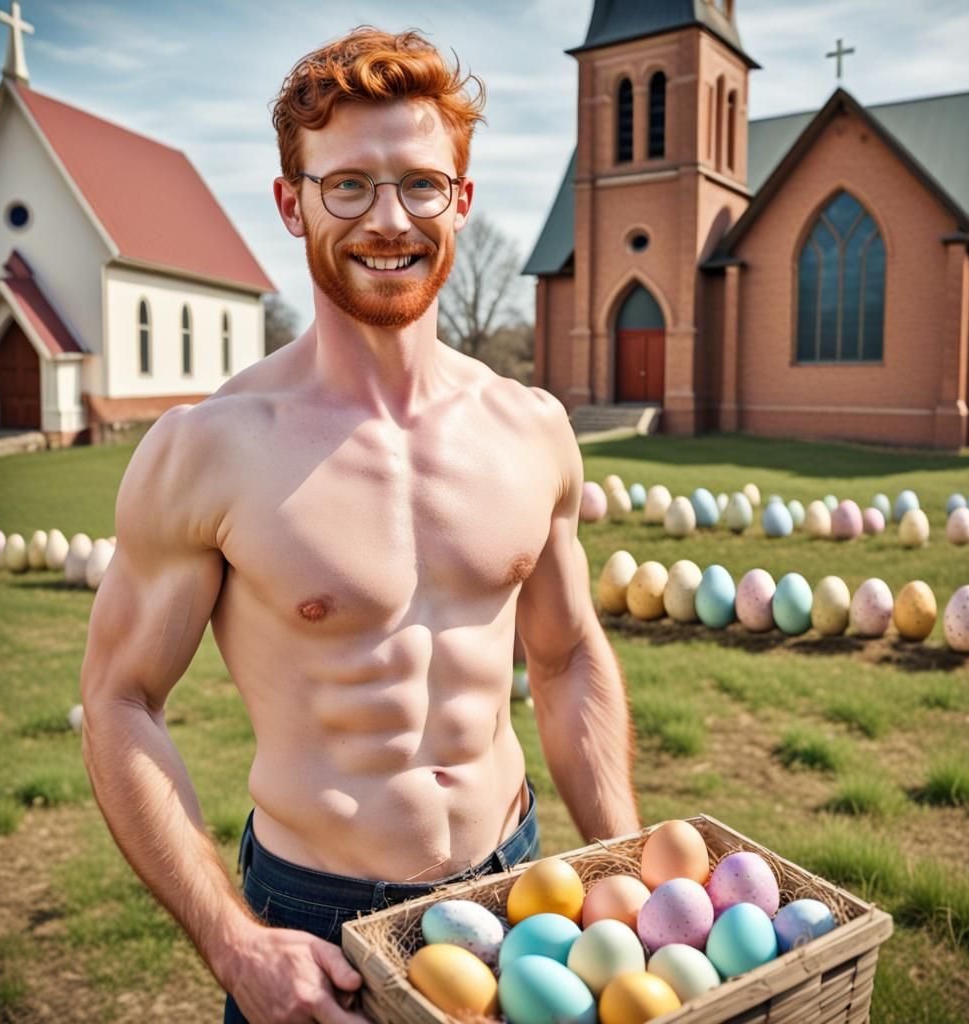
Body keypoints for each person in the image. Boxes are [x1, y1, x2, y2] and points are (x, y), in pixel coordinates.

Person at [79, 26, 639, 1024]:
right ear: (292, 204)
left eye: (420, 184)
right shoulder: (206, 448)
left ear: (460, 199)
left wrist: (627, 864)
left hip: (522, 896)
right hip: (314, 925)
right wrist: (235, 940)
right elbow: (121, 700)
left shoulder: (532, 429)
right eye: (348, 187)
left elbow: (563, 661)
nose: (389, 220)